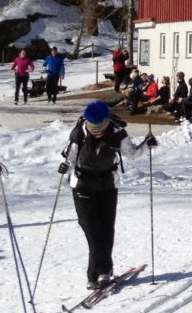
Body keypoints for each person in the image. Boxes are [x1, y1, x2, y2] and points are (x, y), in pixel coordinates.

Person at [61, 101, 153, 290]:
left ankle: (99, 274)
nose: (97, 133)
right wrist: (65, 166)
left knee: (105, 229)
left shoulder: (117, 133)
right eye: (93, 129)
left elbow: (132, 154)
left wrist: (147, 145)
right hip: (82, 185)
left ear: (106, 122)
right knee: (92, 230)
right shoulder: (78, 133)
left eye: (100, 129)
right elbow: (70, 158)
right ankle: (102, 270)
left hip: (107, 185)